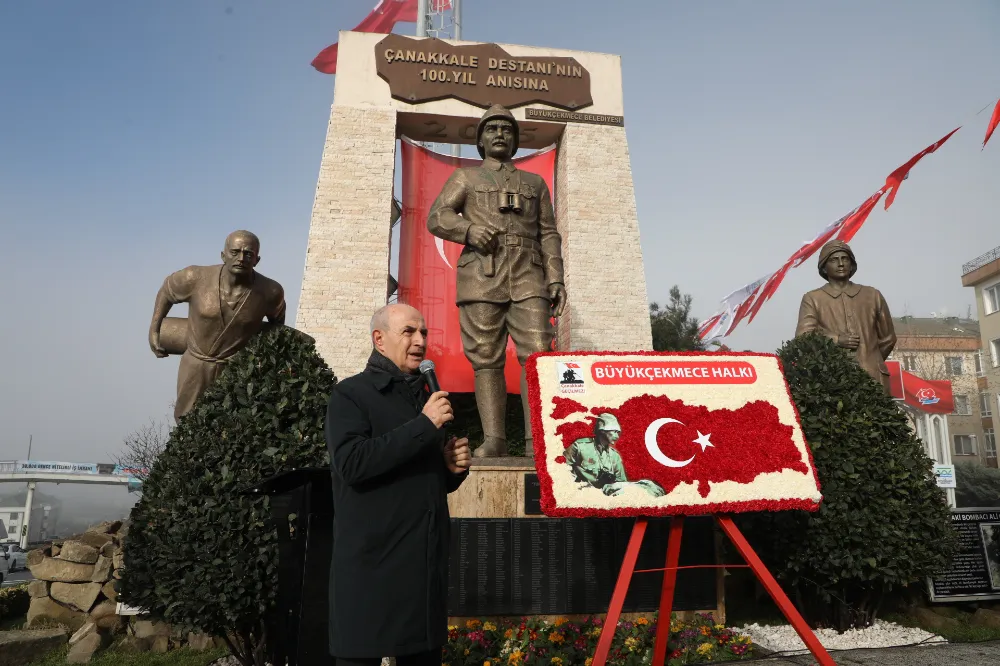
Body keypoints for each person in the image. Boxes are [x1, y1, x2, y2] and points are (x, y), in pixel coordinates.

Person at [325, 303, 472, 665]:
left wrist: (450, 470)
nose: (420, 340)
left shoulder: (425, 398)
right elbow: (353, 464)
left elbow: (420, 479)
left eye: (423, 332)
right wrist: (424, 426)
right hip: (372, 573)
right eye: (408, 331)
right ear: (379, 340)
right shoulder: (351, 395)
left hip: (422, 577)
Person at [427, 104, 566, 458]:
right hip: (481, 272)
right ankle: (496, 441)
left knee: (536, 355)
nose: (500, 134)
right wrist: (469, 230)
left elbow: (548, 232)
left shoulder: (534, 183)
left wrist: (556, 279)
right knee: (486, 358)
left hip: (528, 272)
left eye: (507, 129)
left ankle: (538, 442)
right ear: (481, 140)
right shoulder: (466, 178)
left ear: (516, 139)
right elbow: (438, 216)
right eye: (492, 129)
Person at [148, 230, 285, 420]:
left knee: (230, 427)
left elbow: (277, 329)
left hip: (236, 369)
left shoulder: (271, 291)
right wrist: (154, 329)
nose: (241, 258)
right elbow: (167, 291)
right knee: (187, 422)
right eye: (235, 252)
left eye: (248, 254)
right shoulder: (195, 277)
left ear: (257, 259)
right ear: (223, 255)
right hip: (196, 364)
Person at [795, 239, 897, 393]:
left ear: (852, 264)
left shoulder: (872, 295)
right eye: (834, 260)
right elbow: (803, 337)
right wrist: (836, 340)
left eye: (845, 259)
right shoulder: (813, 298)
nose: (841, 264)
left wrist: (871, 359)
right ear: (824, 267)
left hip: (874, 377)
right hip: (833, 379)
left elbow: (888, 338)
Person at [563, 414, 665, 497]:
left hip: (605, 496)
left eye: (618, 432)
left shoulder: (614, 456)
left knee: (647, 487)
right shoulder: (580, 446)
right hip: (582, 495)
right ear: (602, 431)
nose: (617, 436)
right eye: (614, 432)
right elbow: (561, 471)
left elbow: (621, 483)